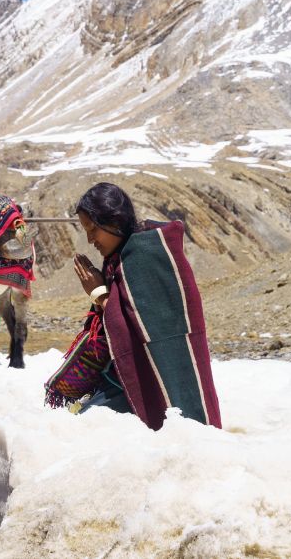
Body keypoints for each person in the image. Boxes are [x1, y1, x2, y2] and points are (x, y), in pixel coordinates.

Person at [71, 182, 221, 430]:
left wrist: (99, 294)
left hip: (159, 384)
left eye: (93, 229)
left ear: (114, 221)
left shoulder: (145, 255)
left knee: (87, 430)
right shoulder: (120, 258)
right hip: (130, 379)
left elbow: (145, 332)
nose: (90, 240)